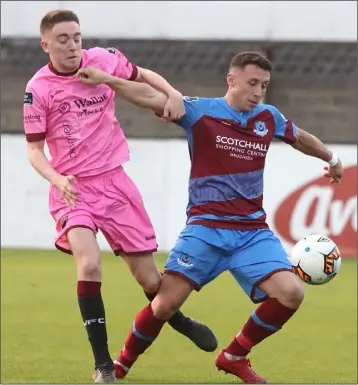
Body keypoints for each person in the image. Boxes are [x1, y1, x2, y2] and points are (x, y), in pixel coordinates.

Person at [76, 51, 343, 384]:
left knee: (291, 293)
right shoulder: (201, 111)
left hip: (251, 232)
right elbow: (148, 96)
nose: (258, 91)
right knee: (163, 306)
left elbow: (299, 136)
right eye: (252, 84)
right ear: (231, 80)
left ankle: (234, 356)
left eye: (263, 85)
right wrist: (109, 81)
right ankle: (121, 365)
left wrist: (332, 158)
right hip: (205, 230)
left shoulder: (268, 118)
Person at [23, 9, 218, 384]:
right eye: (62, 39)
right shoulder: (39, 89)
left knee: (150, 280)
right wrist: (56, 178)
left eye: (76, 36)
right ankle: (103, 366)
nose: (72, 45)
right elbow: (33, 150)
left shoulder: (103, 60)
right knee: (90, 264)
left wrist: (173, 93)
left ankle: (176, 318)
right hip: (73, 188)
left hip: (115, 184)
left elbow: (143, 75)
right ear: (45, 44)